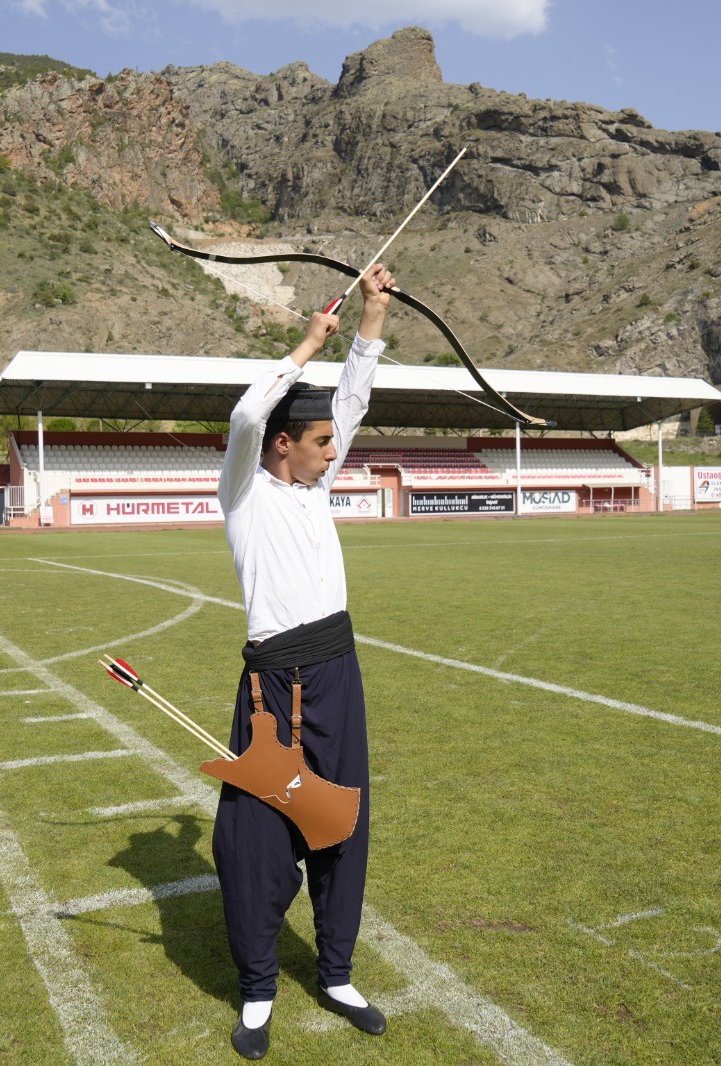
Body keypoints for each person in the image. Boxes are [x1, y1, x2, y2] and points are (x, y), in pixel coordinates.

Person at [213, 263, 395, 1059]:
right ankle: (257, 991)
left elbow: (350, 401)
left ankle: (336, 970)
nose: (334, 454)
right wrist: (305, 346)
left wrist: (371, 318)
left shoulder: (316, 486)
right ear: (285, 445)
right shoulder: (243, 489)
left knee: (341, 823)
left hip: (337, 673)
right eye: (321, 444)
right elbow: (245, 412)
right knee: (252, 839)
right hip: (271, 683)